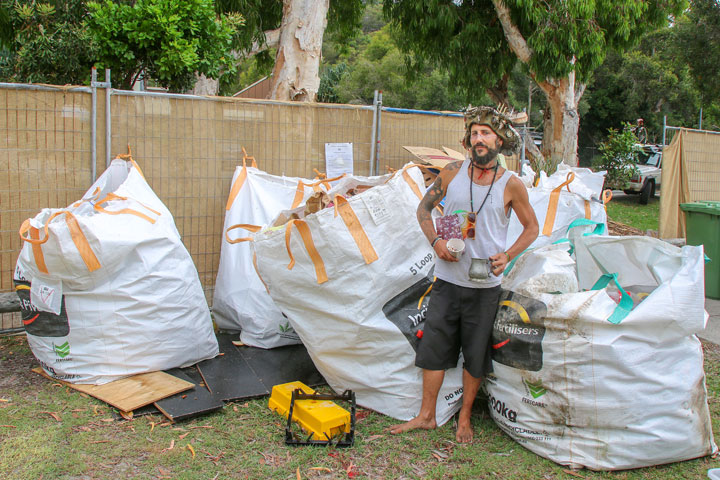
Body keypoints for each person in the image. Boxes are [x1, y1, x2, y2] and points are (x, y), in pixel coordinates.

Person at [389, 105, 539, 443]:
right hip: (447, 280)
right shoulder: (451, 173)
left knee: (475, 353)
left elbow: (532, 228)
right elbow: (423, 208)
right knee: (434, 349)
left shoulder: (512, 185)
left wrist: (509, 255)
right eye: (474, 134)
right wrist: (437, 240)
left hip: (484, 286)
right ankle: (426, 415)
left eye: (486, 133)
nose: (478, 139)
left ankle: (465, 418)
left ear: (500, 142)